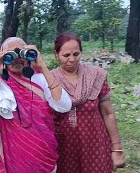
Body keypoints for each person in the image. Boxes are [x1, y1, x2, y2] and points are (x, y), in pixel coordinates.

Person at [0, 37, 72, 172]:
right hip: (15, 155)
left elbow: (65, 106)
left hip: (42, 150)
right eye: (10, 54)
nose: (17, 59)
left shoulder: (40, 79)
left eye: (20, 54)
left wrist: (42, 67)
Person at [51, 32, 125, 172]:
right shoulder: (49, 80)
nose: (72, 59)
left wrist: (116, 148)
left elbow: (108, 114)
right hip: (63, 147)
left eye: (76, 54)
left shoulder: (96, 76)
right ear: (56, 54)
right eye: (66, 55)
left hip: (95, 145)